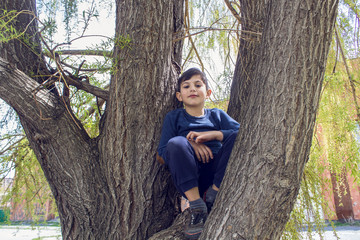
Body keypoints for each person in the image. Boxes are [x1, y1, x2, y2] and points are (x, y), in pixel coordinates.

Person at [156, 68, 239, 239]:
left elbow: (242, 134)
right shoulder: (174, 118)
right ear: (179, 96)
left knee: (236, 136)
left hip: (217, 174)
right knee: (175, 143)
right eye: (186, 86)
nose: (192, 89)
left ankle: (213, 195)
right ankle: (197, 206)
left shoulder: (216, 115)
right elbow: (163, 154)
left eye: (198, 85)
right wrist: (190, 144)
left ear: (207, 93)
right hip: (189, 178)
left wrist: (215, 134)